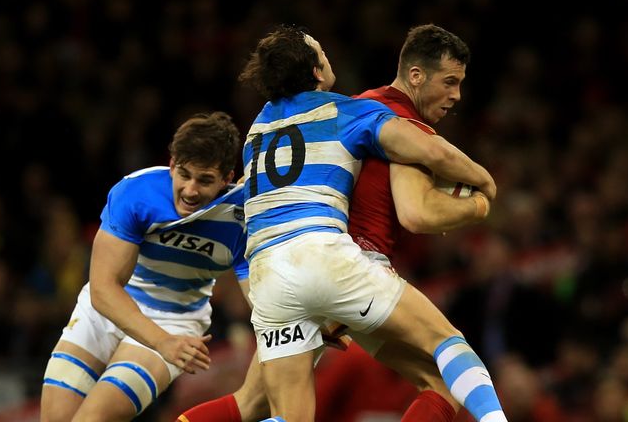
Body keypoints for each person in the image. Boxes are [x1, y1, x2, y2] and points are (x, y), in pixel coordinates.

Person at [176, 24, 492, 422]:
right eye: (321, 52)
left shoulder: (256, 130)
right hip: (332, 261)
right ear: (315, 71)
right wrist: (484, 187)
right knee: (447, 349)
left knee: (262, 407)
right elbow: (425, 168)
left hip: (270, 277)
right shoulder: (347, 110)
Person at [39, 112, 249, 421]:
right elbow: (102, 289)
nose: (190, 190)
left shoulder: (241, 217)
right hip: (107, 312)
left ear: (227, 178)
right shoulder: (137, 192)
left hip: (175, 322)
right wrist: (161, 342)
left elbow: (258, 298)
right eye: (184, 174)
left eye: (204, 180)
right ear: (172, 163)